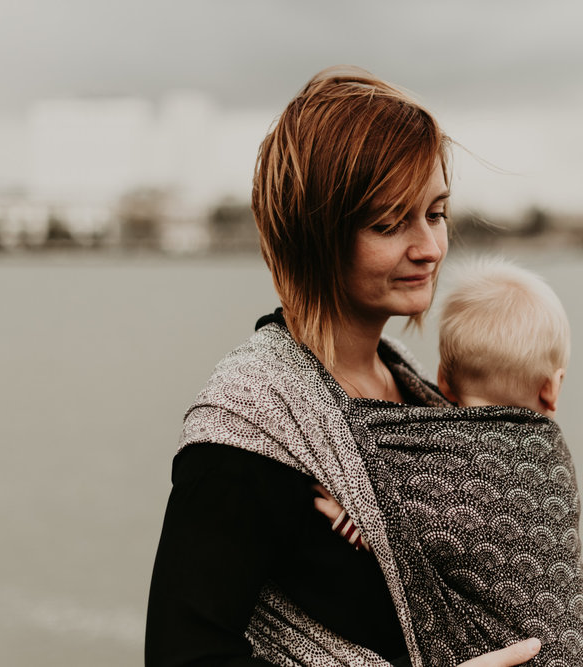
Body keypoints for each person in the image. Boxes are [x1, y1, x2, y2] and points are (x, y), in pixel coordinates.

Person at [145, 66, 556, 667]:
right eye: (390, 223)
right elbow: (183, 656)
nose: (429, 247)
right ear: (316, 233)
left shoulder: (421, 396)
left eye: (436, 214)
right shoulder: (251, 421)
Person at [315, 259, 583, 667]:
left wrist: (348, 520)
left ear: (442, 378)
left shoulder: (420, 451)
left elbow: (391, 521)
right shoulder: (553, 459)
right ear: (551, 388)